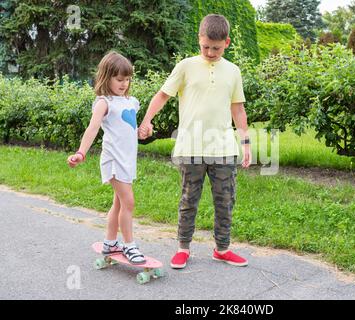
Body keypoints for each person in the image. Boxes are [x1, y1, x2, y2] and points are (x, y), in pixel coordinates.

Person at [138, 14, 251, 269]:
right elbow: (162, 95)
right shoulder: (185, 66)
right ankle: (183, 248)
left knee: (225, 201)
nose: (210, 52)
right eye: (205, 47)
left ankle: (222, 249)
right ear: (199, 40)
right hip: (191, 147)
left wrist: (245, 143)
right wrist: (146, 120)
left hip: (223, 147)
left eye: (216, 48)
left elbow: (238, 110)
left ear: (227, 43)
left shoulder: (233, 71)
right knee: (189, 199)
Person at [67, 51, 146, 264]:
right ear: (106, 77)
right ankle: (129, 246)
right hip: (114, 160)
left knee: (119, 204)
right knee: (128, 202)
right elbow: (92, 129)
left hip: (128, 160)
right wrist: (81, 152)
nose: (124, 84)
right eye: (119, 79)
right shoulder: (104, 102)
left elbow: (130, 129)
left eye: (127, 79)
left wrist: (142, 132)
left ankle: (110, 242)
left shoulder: (132, 102)